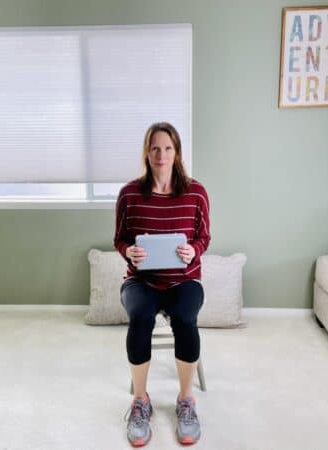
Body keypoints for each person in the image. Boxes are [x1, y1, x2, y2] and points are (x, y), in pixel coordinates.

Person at [114, 122, 211, 446]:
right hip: (140, 282)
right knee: (140, 317)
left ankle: (186, 401)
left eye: (168, 148)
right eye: (155, 148)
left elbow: (204, 237)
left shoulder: (196, 192)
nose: (161, 154)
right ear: (146, 152)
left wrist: (192, 250)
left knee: (185, 318)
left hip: (184, 281)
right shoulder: (129, 194)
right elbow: (120, 239)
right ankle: (140, 401)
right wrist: (129, 251)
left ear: (177, 152)